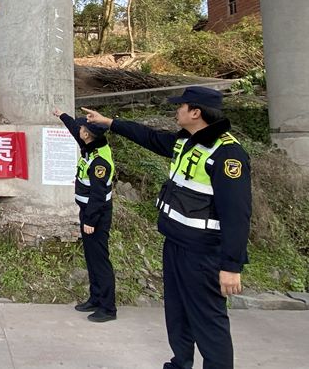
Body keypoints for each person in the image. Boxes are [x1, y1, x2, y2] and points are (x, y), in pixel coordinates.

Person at [82, 86, 251, 369]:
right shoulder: (187, 141)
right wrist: (109, 122)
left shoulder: (227, 154)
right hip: (175, 243)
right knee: (177, 312)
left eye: (180, 106)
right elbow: (148, 137)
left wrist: (231, 266)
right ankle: (180, 363)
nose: (176, 110)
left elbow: (237, 213)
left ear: (195, 112)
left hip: (203, 252)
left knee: (208, 320)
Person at [53, 104, 117, 323]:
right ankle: (95, 297)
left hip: (96, 216)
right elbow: (74, 128)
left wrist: (90, 219)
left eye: (83, 127)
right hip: (88, 213)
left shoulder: (100, 161)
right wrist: (62, 115)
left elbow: (99, 195)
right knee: (91, 258)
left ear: (87, 134)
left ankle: (108, 307)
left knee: (100, 260)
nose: (79, 128)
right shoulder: (91, 145)